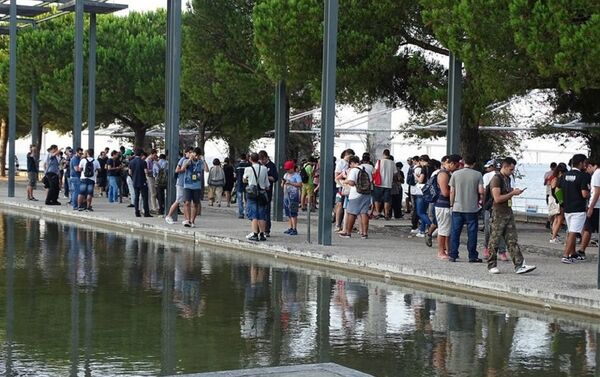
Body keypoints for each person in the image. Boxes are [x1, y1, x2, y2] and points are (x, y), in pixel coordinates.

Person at [486, 157, 537, 274]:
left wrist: (513, 192)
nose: (512, 171)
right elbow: (497, 198)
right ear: (504, 166)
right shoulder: (496, 179)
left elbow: (506, 194)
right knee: (495, 239)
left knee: (512, 239)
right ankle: (491, 265)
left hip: (508, 212)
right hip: (498, 213)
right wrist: (512, 193)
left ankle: (519, 265)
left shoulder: (507, 179)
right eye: (511, 169)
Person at [448, 154, 484, 263]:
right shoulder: (478, 175)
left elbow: (452, 191)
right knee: (472, 233)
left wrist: (451, 204)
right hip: (472, 208)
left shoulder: (455, 174)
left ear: (463, 162)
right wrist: (481, 201)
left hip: (457, 207)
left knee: (455, 232)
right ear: (474, 163)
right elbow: (481, 191)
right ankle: (472, 255)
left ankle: (453, 254)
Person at [559, 153, 590, 263]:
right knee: (573, 232)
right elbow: (584, 194)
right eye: (585, 163)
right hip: (578, 208)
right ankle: (566, 255)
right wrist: (590, 193)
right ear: (581, 163)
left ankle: (572, 253)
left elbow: (558, 189)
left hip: (567, 207)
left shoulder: (565, 175)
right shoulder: (583, 176)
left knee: (570, 230)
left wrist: (561, 202)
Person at [433, 154, 461, 259]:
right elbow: (445, 192)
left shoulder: (447, 173)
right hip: (443, 205)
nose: (458, 168)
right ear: (451, 164)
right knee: (443, 229)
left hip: (446, 205)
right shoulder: (443, 174)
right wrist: (456, 193)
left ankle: (448, 250)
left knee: (448, 230)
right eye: (457, 165)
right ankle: (441, 251)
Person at [339, 155, 372, 239]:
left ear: (353, 163)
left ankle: (348, 232)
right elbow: (371, 181)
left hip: (356, 194)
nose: (350, 166)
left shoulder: (354, 170)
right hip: (367, 193)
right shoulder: (367, 170)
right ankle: (364, 233)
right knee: (364, 213)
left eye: (350, 164)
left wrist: (345, 181)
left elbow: (352, 183)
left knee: (351, 213)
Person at [243, 152, 270, 241]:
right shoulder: (264, 169)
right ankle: (262, 234)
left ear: (250, 159)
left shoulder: (248, 169)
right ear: (258, 159)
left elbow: (244, 179)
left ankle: (255, 233)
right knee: (262, 214)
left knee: (254, 214)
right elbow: (267, 183)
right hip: (262, 192)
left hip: (252, 193)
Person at [165, 148, 192, 225]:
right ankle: (169, 215)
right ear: (186, 153)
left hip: (186, 183)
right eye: (189, 152)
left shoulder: (189, 161)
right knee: (178, 200)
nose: (191, 154)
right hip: (181, 183)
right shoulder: (183, 160)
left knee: (186, 202)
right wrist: (183, 169)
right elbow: (177, 170)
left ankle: (186, 219)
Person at [579, 160, 600, 257]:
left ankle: (582, 250)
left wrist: (591, 207)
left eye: (587, 168)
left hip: (596, 205)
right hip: (596, 205)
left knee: (587, 228)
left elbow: (597, 192)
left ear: (590, 166)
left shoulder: (596, 174)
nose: (587, 171)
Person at [182, 147, 206, 227]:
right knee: (187, 202)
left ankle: (192, 221)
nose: (196, 157)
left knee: (195, 204)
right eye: (195, 155)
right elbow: (183, 168)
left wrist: (203, 160)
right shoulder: (187, 161)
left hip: (197, 186)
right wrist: (189, 159)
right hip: (187, 185)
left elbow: (207, 170)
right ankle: (188, 220)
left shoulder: (200, 162)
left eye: (198, 156)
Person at [258, 150, 278, 237]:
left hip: (267, 193)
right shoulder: (258, 166)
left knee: (266, 211)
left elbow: (275, 178)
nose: (262, 162)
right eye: (260, 160)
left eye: (263, 160)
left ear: (266, 158)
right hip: (258, 192)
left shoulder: (271, 166)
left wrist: (266, 176)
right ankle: (258, 229)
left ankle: (267, 230)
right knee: (259, 211)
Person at [372, 149, 396, 219]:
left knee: (377, 199)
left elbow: (375, 171)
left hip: (378, 183)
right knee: (387, 200)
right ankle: (386, 214)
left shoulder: (379, 161)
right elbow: (395, 173)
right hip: (388, 184)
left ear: (383, 154)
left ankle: (378, 212)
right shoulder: (392, 163)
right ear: (389, 154)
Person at [128, 148, 152, 218]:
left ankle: (137, 212)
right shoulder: (143, 162)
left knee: (136, 197)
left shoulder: (131, 162)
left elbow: (130, 172)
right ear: (141, 154)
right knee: (145, 197)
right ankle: (146, 212)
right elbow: (146, 172)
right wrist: (149, 171)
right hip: (142, 181)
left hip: (135, 181)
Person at [334, 149, 354, 232]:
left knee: (346, 206)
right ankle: (338, 224)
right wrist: (342, 182)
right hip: (341, 186)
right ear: (347, 155)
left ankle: (344, 224)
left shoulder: (349, 163)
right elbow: (337, 175)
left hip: (348, 186)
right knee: (340, 205)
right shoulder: (341, 162)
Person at [413, 155, 432, 237]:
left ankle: (431, 225)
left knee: (420, 212)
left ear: (422, 160)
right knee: (424, 212)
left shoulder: (424, 168)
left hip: (421, 191)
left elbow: (420, 180)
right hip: (429, 191)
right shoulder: (432, 168)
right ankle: (422, 230)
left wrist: (416, 176)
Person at [282, 160, 302, 235]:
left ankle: (294, 228)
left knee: (293, 212)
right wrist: (283, 183)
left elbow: (300, 184)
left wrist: (290, 183)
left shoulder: (296, 175)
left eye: (288, 169)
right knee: (288, 212)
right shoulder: (286, 175)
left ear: (292, 168)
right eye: (286, 169)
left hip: (294, 195)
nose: (287, 170)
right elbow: (282, 184)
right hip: (286, 195)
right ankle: (290, 227)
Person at [235, 154, 251, 219]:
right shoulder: (249, 166)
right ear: (246, 158)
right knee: (247, 199)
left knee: (240, 200)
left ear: (240, 158)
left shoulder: (237, 166)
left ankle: (241, 213)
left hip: (239, 184)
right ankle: (247, 213)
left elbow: (235, 175)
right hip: (247, 184)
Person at [544, 162, 557, 229]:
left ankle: (549, 222)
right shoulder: (555, 174)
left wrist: (547, 180)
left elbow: (544, 183)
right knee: (554, 210)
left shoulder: (547, 174)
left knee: (550, 209)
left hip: (548, 193)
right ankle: (551, 223)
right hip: (553, 194)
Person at [146, 149, 159, 214]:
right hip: (149, 177)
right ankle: (154, 207)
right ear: (152, 154)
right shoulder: (148, 160)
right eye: (155, 155)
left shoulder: (153, 160)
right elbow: (147, 171)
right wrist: (153, 170)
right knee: (153, 193)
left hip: (152, 177)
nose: (155, 156)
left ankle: (154, 207)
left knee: (153, 193)